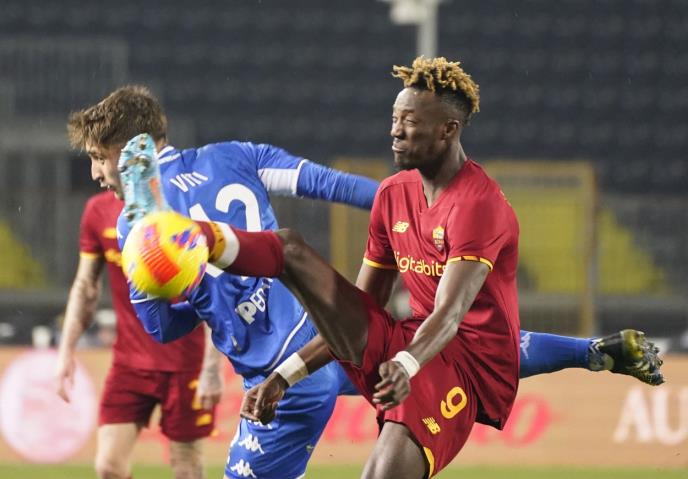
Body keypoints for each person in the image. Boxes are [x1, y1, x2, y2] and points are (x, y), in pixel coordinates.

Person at [71, 85, 662, 479]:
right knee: (455, 350)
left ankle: (199, 244)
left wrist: (167, 281)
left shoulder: (133, 227)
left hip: (281, 370)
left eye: (99, 157)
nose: (97, 173)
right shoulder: (236, 156)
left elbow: (162, 327)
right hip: (330, 334)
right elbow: (332, 185)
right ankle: (592, 351)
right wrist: (427, 207)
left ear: (126, 150)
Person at [55, 189, 223, 479]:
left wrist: (211, 367)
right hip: (129, 362)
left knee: (187, 469)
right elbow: (85, 286)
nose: (95, 172)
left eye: (100, 164)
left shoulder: (181, 202)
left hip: (187, 363)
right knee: (108, 466)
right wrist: (65, 351)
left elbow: (214, 288)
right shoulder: (98, 210)